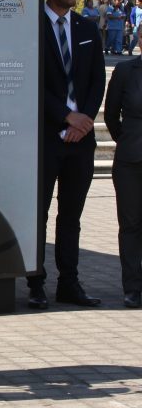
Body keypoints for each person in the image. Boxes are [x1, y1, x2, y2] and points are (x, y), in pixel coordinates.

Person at [29, 0, 105, 310]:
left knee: (71, 216)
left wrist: (84, 120)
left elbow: (97, 80)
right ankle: (36, 283)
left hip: (81, 140)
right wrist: (65, 116)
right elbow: (31, 79)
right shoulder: (31, 27)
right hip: (46, 137)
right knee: (39, 214)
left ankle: (69, 283)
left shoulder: (86, 27)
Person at [105, 55, 142, 308]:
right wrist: (128, 140)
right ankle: (132, 287)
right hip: (130, 161)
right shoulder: (125, 70)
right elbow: (110, 115)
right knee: (131, 224)